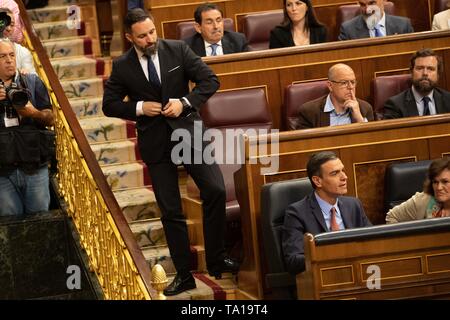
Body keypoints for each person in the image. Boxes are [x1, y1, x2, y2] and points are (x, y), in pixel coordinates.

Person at [102, 8, 238, 296]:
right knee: (171, 210)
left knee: (214, 190)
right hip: (155, 142)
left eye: (152, 32)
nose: (150, 38)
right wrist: (139, 108)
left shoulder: (177, 49)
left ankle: (215, 258)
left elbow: (210, 81)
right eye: (142, 36)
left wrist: (185, 102)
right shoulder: (123, 65)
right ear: (129, 37)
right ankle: (184, 275)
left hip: (188, 132)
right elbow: (109, 104)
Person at [282, 151, 372, 274]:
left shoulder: (353, 205)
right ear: (317, 181)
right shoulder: (297, 213)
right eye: (335, 173)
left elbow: (373, 242)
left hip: (357, 273)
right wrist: (333, 255)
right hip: (323, 278)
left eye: (343, 170)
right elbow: (293, 261)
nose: (344, 177)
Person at [0, 38, 54, 216]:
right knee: (11, 226)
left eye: (11, 55)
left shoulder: (32, 81)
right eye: (2, 56)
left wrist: (32, 113)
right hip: (2, 172)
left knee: (41, 220)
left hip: (34, 166)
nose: (9, 60)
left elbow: (51, 118)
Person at [291, 63, 374, 130]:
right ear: (330, 86)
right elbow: (305, 146)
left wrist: (359, 119)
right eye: (344, 83)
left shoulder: (365, 108)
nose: (350, 87)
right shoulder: (309, 111)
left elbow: (372, 144)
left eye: (352, 82)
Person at [383, 48, 450, 119]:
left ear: (438, 74)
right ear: (411, 72)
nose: (425, 73)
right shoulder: (395, 105)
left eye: (430, 69)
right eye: (420, 68)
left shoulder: (448, 100)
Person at [386, 158, 450, 223]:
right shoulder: (423, 200)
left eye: (445, 182)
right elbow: (392, 216)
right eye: (435, 182)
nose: (439, 188)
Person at [183, 3, 248, 57]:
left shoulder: (238, 41)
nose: (216, 26)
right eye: (209, 22)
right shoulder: (187, 48)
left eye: (218, 20)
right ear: (198, 28)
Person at [338, 0, 413, 40]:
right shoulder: (348, 30)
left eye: (372, 3)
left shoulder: (403, 26)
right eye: (362, 5)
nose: (367, 10)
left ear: (384, 1)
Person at [1, 8, 36, 74]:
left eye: (12, 25)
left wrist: (27, 74)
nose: (8, 28)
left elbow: (33, 76)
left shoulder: (23, 52)